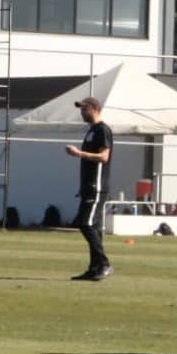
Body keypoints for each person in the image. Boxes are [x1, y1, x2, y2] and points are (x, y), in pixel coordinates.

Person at [66, 96, 113, 281]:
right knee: (92, 225)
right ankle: (95, 268)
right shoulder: (92, 131)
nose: (81, 113)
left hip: (97, 186)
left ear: (94, 109)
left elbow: (104, 157)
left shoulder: (102, 130)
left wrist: (79, 153)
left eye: (84, 109)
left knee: (85, 223)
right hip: (88, 186)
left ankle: (104, 264)